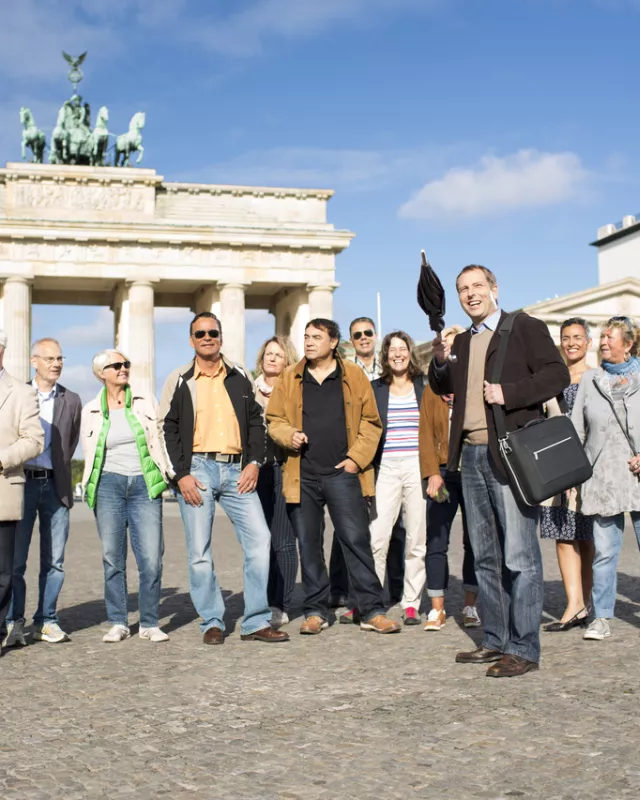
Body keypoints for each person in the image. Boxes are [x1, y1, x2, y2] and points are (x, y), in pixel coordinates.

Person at [429, 265, 569, 677]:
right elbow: (445, 386)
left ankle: (524, 649)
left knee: (520, 555)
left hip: (508, 454)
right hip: (469, 456)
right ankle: (495, 640)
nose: (470, 294)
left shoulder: (522, 326)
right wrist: (440, 362)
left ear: (494, 289)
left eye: (477, 286)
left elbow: (556, 375)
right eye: (463, 289)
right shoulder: (465, 341)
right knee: (484, 557)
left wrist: (508, 393)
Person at [267, 318, 401, 635]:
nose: (309, 341)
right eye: (306, 336)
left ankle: (371, 610)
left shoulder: (353, 375)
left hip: (343, 473)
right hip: (303, 474)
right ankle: (316, 610)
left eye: (317, 337)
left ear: (333, 342)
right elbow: (274, 419)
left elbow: (371, 423)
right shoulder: (289, 377)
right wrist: (289, 435)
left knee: (356, 540)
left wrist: (356, 460)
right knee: (309, 545)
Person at [162, 312, 288, 645]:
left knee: (260, 541)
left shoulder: (239, 375)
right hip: (198, 470)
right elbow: (166, 428)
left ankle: (256, 621)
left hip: (238, 471)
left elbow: (256, 423)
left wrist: (254, 463)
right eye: (200, 333)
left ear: (220, 337)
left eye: (213, 332)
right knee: (200, 551)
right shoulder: (179, 378)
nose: (207, 337)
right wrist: (181, 475)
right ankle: (212, 620)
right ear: (192, 340)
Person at [82, 351, 169, 643]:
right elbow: (89, 452)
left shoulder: (145, 402)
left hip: (145, 484)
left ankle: (149, 622)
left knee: (151, 558)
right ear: (101, 373)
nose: (123, 369)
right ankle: (118, 621)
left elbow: (160, 435)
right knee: (112, 557)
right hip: (109, 485)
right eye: (116, 365)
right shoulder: (91, 409)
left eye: (126, 364)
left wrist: (168, 473)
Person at [4, 338, 81, 648]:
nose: (57, 363)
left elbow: (70, 442)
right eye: (49, 358)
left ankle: (46, 620)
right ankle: (14, 622)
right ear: (33, 361)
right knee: (15, 561)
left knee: (55, 560)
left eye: (60, 358)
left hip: (56, 484)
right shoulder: (17, 394)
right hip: (21, 482)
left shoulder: (72, 400)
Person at [331, 316, 406, 620]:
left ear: (375, 336)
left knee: (395, 528)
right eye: (357, 334)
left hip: (388, 455)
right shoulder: (344, 371)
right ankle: (342, 589)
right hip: (357, 455)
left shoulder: (386, 368)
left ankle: (397, 588)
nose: (363, 337)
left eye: (368, 333)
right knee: (347, 528)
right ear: (350, 340)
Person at [571, 316, 640, 642]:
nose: (602, 342)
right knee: (604, 551)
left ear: (627, 345)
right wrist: (573, 473)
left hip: (638, 476)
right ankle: (601, 617)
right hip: (602, 477)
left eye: (610, 337)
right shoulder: (590, 380)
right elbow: (576, 430)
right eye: (601, 337)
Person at [420, 326, 480, 632]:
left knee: (475, 540)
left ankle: (471, 604)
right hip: (442, 473)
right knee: (436, 540)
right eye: (450, 343)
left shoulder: (474, 380)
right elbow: (425, 434)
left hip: (471, 469)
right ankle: (437, 608)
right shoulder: (432, 387)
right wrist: (431, 472)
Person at [541, 318, 594, 632]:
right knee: (562, 534)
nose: (571, 342)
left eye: (577, 337)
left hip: (589, 467)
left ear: (588, 341)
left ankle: (585, 604)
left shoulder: (598, 378)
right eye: (566, 337)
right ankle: (573, 604)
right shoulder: (552, 379)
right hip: (556, 465)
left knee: (587, 537)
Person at [369, 331, 426, 625]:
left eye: (402, 349)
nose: (398, 354)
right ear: (385, 355)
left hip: (417, 466)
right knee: (378, 536)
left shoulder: (423, 385)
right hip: (386, 467)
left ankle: (411, 602)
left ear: (410, 352)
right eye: (392, 350)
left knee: (416, 538)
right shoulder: (376, 387)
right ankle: (371, 601)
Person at [0, 330, 44, 654]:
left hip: (4, 487)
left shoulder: (21, 392)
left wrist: (2, 459)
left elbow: (34, 439)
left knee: (3, 572)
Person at [254, 335, 300, 627]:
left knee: (283, 541)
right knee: (259, 540)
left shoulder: (295, 390)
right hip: (256, 472)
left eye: (278, 355)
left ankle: (280, 603)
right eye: (268, 353)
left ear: (287, 360)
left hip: (285, 467)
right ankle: (259, 600)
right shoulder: (248, 389)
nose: (272, 358)